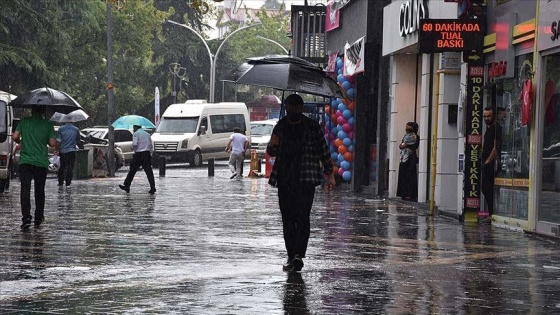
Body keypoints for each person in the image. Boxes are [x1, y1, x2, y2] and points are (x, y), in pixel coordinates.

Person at [266, 94, 336, 272]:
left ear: (301, 108)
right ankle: (292, 255)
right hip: (285, 179)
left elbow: (323, 150)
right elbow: (271, 152)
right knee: (288, 219)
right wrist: (273, 144)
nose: (293, 110)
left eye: (296, 107)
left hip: (306, 179)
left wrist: (330, 173)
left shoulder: (312, 127)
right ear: (287, 107)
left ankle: (298, 255)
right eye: (290, 107)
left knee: (303, 217)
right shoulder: (280, 126)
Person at [11, 106, 56, 229]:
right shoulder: (47, 125)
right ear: (43, 111)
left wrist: (21, 140)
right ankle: (38, 217)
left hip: (25, 161)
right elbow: (52, 143)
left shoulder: (24, 121)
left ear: (32, 110)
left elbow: (15, 136)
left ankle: (26, 218)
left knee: (25, 190)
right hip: (41, 162)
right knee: (39, 191)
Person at [119, 125, 156, 194]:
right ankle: (153, 187)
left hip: (139, 154)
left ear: (135, 128)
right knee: (149, 172)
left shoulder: (136, 134)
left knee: (132, 170)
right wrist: (150, 154)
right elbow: (151, 145)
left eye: (133, 128)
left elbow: (135, 144)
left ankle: (127, 185)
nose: (133, 130)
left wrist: (132, 148)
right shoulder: (147, 134)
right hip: (146, 154)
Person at [481, 107, 502, 219]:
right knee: (485, 188)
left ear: (493, 116)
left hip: (490, 163)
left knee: (487, 188)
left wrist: (488, 162)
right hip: (486, 162)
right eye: (485, 116)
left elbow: (495, 147)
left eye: (489, 116)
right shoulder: (489, 129)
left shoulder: (495, 129)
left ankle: (492, 213)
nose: (486, 118)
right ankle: (491, 212)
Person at [396, 121, 419, 201]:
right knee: (403, 177)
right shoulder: (405, 136)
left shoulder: (416, 137)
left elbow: (414, 145)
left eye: (408, 129)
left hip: (410, 158)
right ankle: (403, 194)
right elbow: (401, 145)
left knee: (410, 176)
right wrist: (403, 145)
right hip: (403, 158)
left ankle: (411, 194)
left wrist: (406, 145)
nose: (407, 130)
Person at [55, 122, 81, 187]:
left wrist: (57, 150)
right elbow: (78, 140)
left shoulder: (61, 129)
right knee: (70, 167)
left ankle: (60, 182)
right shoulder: (76, 129)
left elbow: (58, 141)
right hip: (72, 151)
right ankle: (68, 183)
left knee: (62, 167)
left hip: (63, 151)